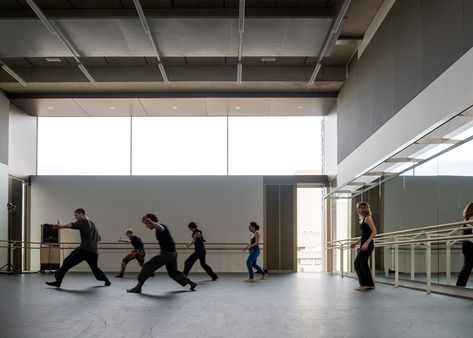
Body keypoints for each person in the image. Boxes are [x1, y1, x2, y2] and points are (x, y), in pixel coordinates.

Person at [127, 214, 197, 293]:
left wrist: (151, 222)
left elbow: (161, 228)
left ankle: (138, 287)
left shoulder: (161, 226)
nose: (146, 226)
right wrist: (151, 222)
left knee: (147, 266)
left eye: (146, 224)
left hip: (166, 254)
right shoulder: (158, 228)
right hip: (172, 253)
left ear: (151, 221)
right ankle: (192, 283)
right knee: (173, 273)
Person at [45, 208, 111, 288]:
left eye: (76, 216)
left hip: (84, 250)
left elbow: (72, 225)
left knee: (66, 264)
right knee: (95, 268)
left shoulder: (83, 221)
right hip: (93, 252)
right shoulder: (93, 224)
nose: (76, 218)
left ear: (81, 214)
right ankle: (107, 281)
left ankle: (58, 282)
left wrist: (60, 226)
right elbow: (99, 238)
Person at [351, 202, 377, 291]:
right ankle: (370, 284)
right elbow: (364, 234)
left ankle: (363, 284)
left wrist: (367, 243)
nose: (359, 209)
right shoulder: (362, 219)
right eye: (358, 207)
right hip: (364, 244)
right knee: (364, 264)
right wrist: (356, 242)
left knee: (357, 263)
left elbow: (374, 231)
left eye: (361, 208)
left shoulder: (368, 218)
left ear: (365, 209)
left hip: (367, 245)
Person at [456, 203, 473, 287]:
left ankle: (460, 285)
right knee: (467, 266)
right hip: (470, 245)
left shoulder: (466, 220)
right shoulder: (472, 218)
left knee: (467, 266)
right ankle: (460, 285)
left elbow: (462, 234)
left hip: (466, 244)